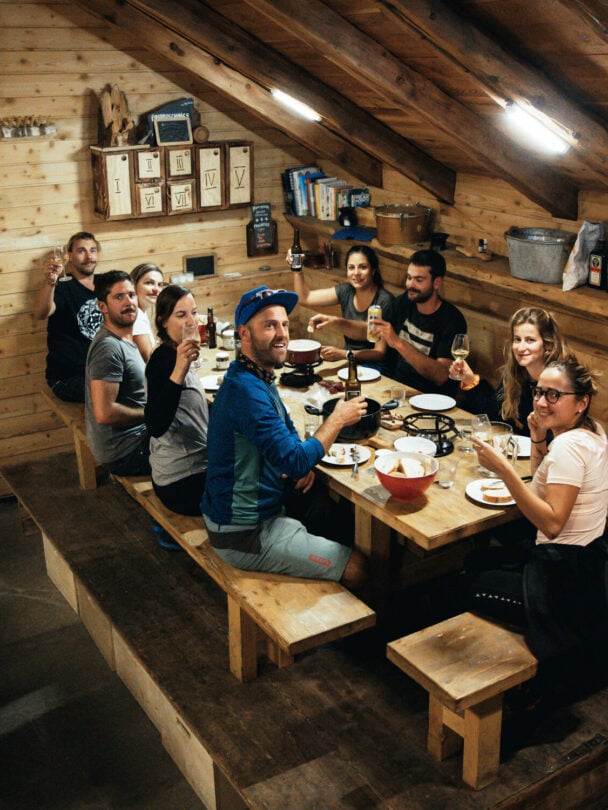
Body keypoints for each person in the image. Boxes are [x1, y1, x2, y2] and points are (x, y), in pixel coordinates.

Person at [201, 285, 369, 588]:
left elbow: (288, 432)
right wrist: (337, 418)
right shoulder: (247, 391)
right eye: (269, 325)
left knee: (332, 511)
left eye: (284, 324)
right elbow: (293, 460)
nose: (282, 333)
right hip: (244, 533)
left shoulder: (254, 376)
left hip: (256, 513)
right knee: (358, 567)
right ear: (244, 334)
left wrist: (301, 463)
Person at [466, 358, 608, 705]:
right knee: (482, 558)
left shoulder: (569, 448)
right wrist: (537, 439)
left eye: (554, 395)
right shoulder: (593, 432)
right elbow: (546, 485)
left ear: (581, 401)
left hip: (563, 579)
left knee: (470, 584)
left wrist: (503, 470)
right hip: (590, 569)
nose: (542, 402)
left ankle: (513, 684)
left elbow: (552, 523)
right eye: (539, 392)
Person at [314, 249, 466, 394]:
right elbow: (371, 329)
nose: (410, 285)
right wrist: (335, 322)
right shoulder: (404, 302)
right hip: (397, 387)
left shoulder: (452, 319)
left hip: (431, 398)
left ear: (437, 283)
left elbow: (441, 376)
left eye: (419, 280)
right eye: (408, 277)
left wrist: (397, 342)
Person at [450, 307, 572, 434]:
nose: (521, 347)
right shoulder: (516, 373)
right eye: (517, 339)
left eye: (530, 340)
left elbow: (554, 437)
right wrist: (469, 379)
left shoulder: (560, 382)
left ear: (548, 344)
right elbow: (493, 415)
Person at [144, 285, 208, 516]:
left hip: (194, 468)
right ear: (163, 322)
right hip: (182, 481)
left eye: (194, 312)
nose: (191, 321)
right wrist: (180, 368)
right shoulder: (163, 361)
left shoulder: (175, 352)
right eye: (181, 315)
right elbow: (155, 425)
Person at [85, 271, 150, 476]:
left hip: (134, 439)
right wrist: (152, 414)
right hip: (127, 451)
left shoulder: (126, 339)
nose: (128, 302)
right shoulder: (109, 348)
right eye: (118, 297)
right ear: (102, 306)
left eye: (131, 295)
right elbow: (105, 414)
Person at [288, 244, 393, 366]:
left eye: (363, 267)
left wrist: (344, 353)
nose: (356, 273)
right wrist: (297, 270)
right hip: (349, 361)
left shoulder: (384, 300)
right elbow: (304, 298)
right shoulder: (346, 290)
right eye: (351, 268)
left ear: (373, 270)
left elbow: (379, 352)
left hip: (377, 367)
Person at [32, 232, 103, 402]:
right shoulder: (62, 286)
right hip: (68, 377)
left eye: (92, 250)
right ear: (69, 256)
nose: (88, 256)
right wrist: (51, 282)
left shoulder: (107, 284)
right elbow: (41, 313)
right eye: (81, 251)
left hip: (104, 372)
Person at [130, 263, 165, 362]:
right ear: (133, 285)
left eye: (159, 284)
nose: (156, 289)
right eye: (149, 283)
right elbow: (150, 361)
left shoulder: (140, 312)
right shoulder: (135, 316)